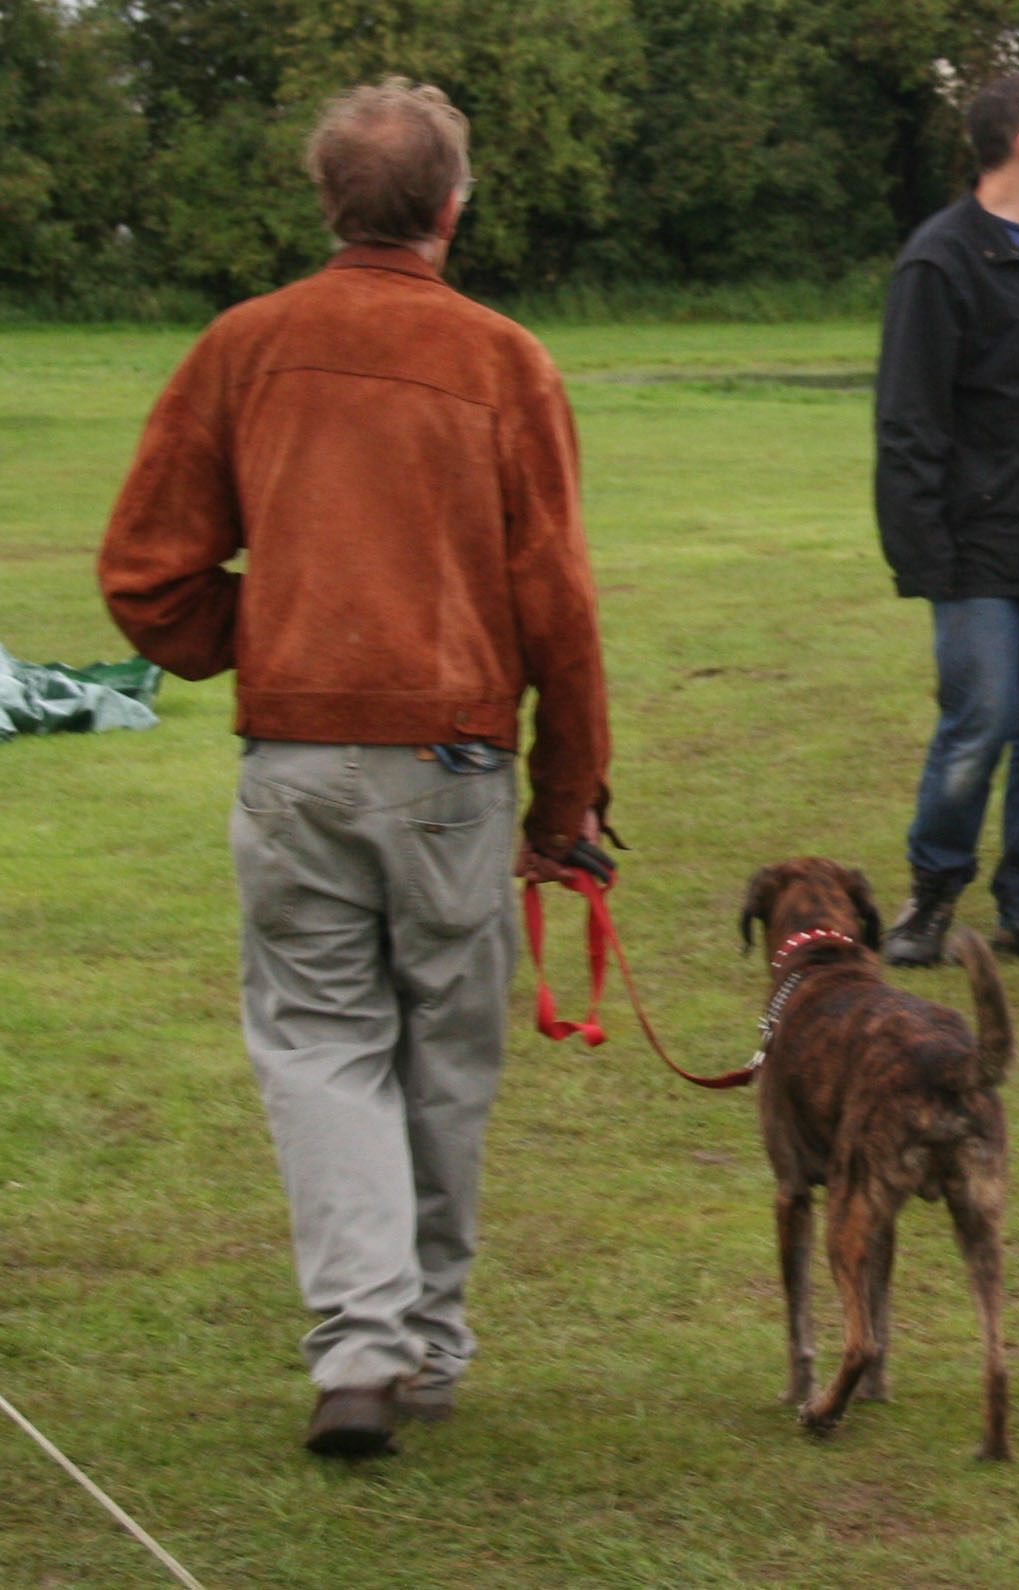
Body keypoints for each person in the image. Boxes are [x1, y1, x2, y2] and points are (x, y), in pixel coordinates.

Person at [97, 77, 613, 1458]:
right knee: (444, 1053)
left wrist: (268, 644)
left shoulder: (244, 345)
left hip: (301, 767)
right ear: (453, 206)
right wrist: (566, 803)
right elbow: (558, 604)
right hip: (447, 766)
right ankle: (416, 1341)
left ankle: (367, 1347)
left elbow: (145, 579)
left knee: (324, 1049)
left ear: (329, 202)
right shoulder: (504, 360)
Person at [876, 72, 1019, 966]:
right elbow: (908, 423)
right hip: (975, 552)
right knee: (982, 722)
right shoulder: (940, 260)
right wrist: (927, 560)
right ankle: (931, 894)